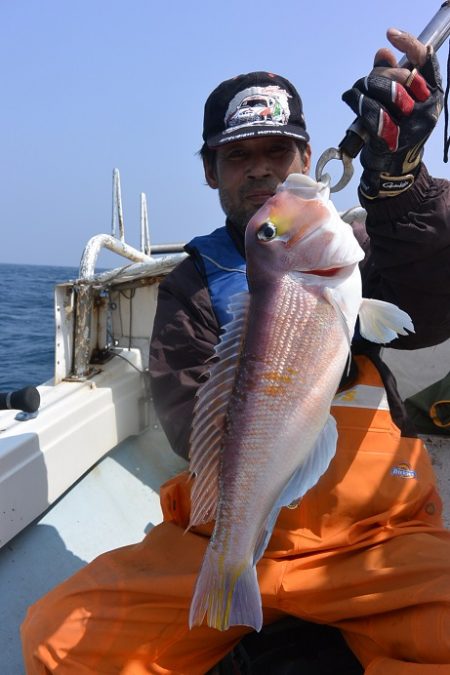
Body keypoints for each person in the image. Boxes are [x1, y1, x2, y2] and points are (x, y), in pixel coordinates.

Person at [21, 28, 450, 675]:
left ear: (308, 155)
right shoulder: (192, 283)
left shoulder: (372, 243)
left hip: (375, 539)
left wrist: (404, 189)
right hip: (229, 534)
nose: (259, 167)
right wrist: (288, 373)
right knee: (59, 640)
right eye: (237, 155)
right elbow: (192, 424)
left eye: (276, 150)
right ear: (209, 169)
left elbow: (433, 313)